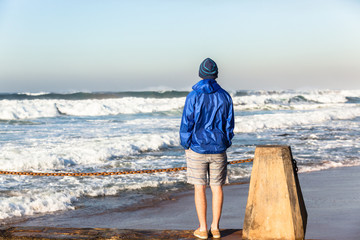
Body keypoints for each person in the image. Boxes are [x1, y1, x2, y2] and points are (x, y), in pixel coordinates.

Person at [180, 58, 234, 239]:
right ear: (216, 74)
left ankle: (203, 229)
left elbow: (187, 123)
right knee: (217, 187)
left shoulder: (193, 96)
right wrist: (225, 142)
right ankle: (215, 228)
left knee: (199, 187)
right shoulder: (225, 96)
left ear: (200, 74)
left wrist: (185, 143)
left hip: (197, 147)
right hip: (218, 147)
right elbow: (229, 124)